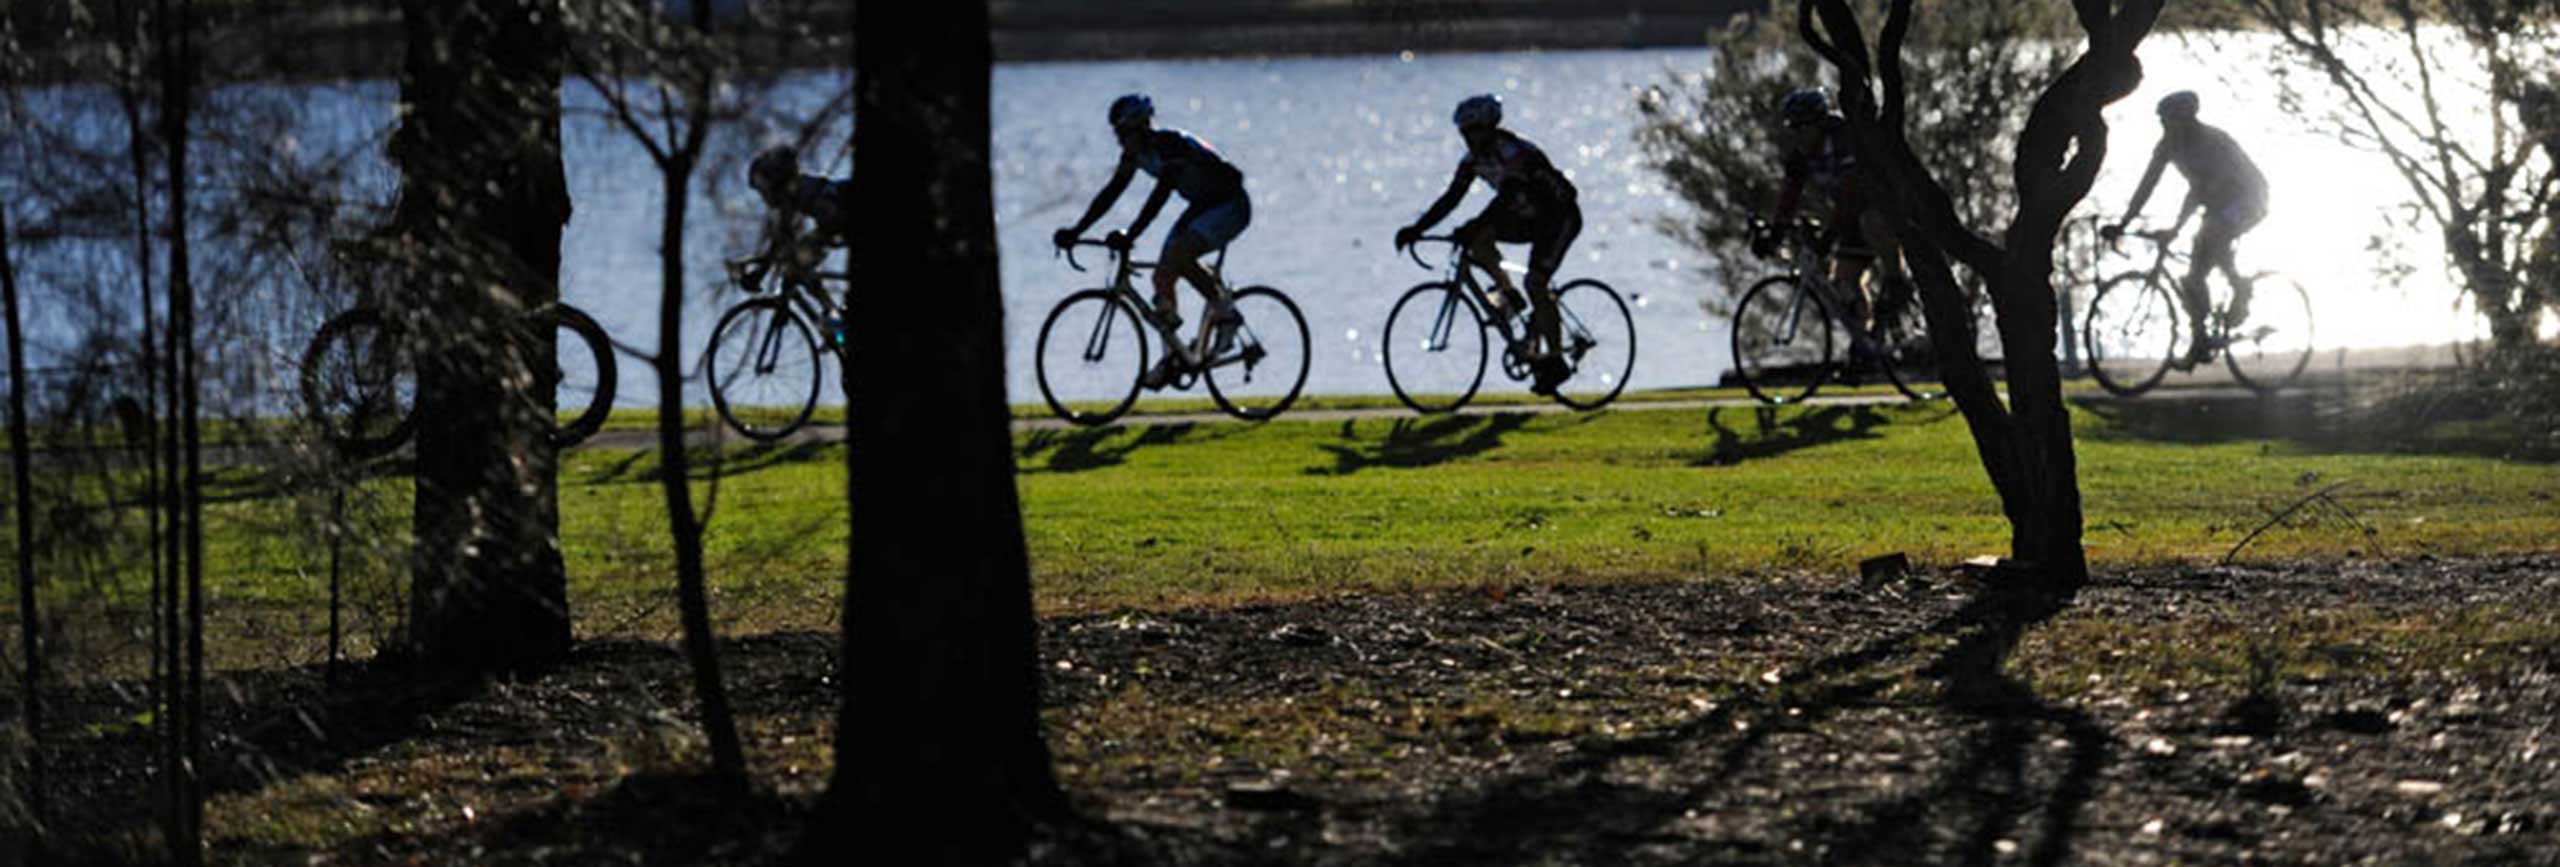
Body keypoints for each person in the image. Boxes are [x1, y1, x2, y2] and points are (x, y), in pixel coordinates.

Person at [1052, 93, 1253, 390]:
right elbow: (1111, 192)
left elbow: (1159, 196)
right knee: (1162, 275)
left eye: (1123, 134)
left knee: (1180, 257)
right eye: (1116, 135)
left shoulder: (1169, 145)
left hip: (1230, 204)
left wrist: (1131, 235)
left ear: (1141, 127)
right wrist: (1077, 230)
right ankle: (1173, 358)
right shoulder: (1134, 155)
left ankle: (1227, 317)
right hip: (1202, 206)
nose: (1119, 141)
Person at [1393, 94, 1582, 396]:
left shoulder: (1514, 154)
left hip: (1559, 218)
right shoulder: (1473, 161)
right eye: (1464, 133)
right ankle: (1509, 294)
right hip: (1528, 217)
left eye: (1474, 131)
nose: (1468, 138)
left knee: (1536, 282)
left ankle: (1556, 359)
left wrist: (1475, 225)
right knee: (1477, 242)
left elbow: (1508, 196)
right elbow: (1451, 198)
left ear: (1491, 127)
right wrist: (1416, 228)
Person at [2101, 90, 2270, 368]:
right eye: (2162, 123)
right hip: (2217, 204)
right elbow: (2147, 185)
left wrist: (2176, 227)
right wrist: (2123, 223)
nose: (2165, 128)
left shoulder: (2213, 141)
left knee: (2211, 236)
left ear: (2187, 119)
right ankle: (2200, 340)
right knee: (2195, 275)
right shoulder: (2168, 145)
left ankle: (2241, 289)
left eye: (2169, 122)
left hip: (2250, 198)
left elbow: (2201, 192)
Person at [1753, 87, 1906, 363]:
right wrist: (1774, 233)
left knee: (1870, 221)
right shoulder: (1801, 153)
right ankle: (1868, 342)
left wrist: (1830, 235)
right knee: (1843, 281)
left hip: (1885, 205)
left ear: (1820, 124)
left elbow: (1852, 191)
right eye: (1793, 129)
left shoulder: (1845, 138)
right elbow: (1789, 195)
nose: (1798, 136)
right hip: (1852, 214)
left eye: (1803, 128)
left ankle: (1897, 282)